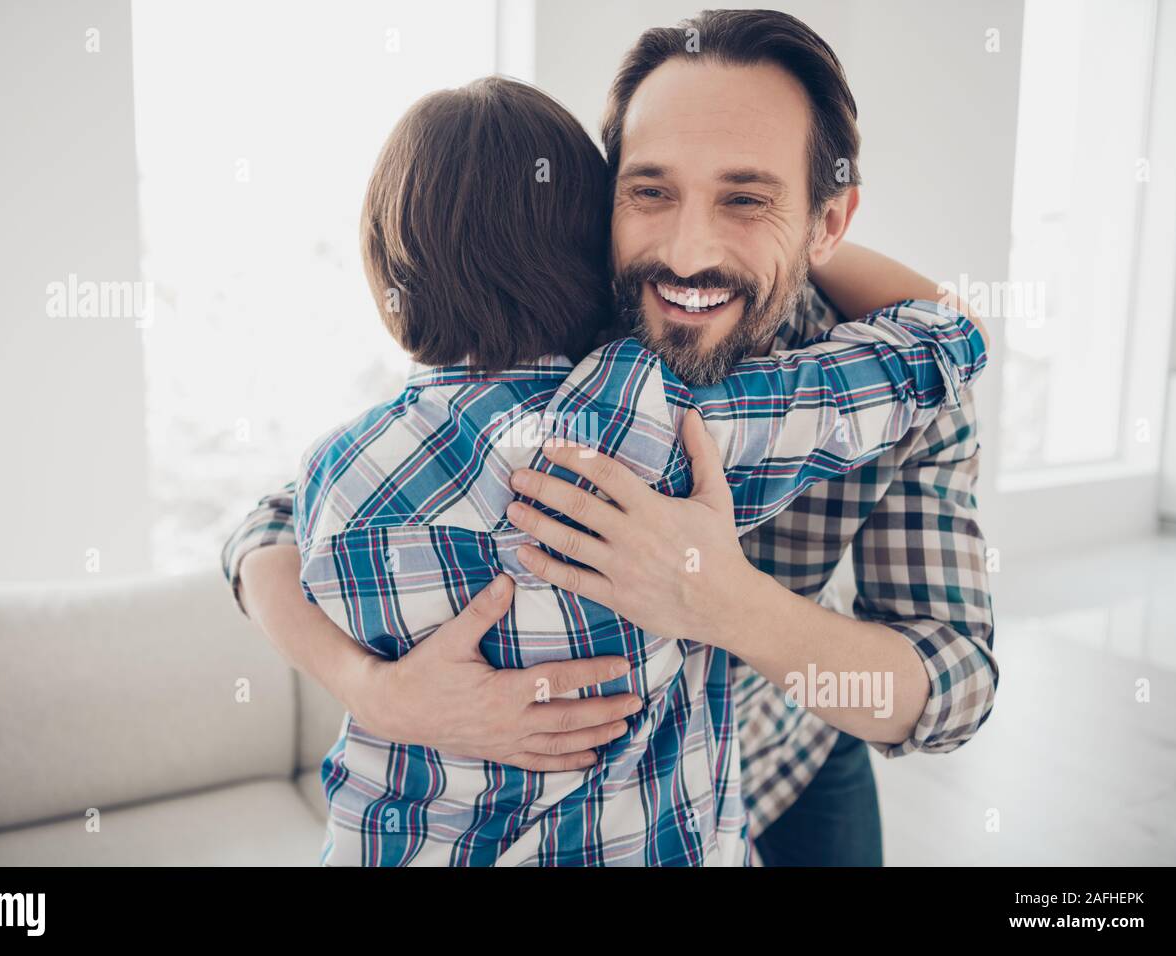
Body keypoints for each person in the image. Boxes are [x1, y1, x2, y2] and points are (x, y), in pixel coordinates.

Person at [225, 9, 999, 866]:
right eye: (651, 190)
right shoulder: (564, 323)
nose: (687, 250)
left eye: (746, 198)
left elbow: (954, 685)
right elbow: (265, 527)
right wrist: (377, 691)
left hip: (801, 739)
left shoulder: (901, 389)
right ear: (603, 196)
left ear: (826, 224)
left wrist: (722, 602)